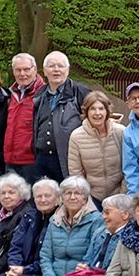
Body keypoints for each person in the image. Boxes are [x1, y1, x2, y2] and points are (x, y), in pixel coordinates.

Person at [32, 51, 90, 182]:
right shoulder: (39, 95)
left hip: (67, 157)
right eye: (52, 66)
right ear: (45, 72)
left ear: (68, 70)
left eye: (61, 66)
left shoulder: (80, 92)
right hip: (42, 158)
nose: (56, 70)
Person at [67, 91, 126, 206]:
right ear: (86, 111)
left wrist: (122, 194)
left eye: (101, 108)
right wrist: (86, 199)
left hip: (119, 195)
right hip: (92, 198)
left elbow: (129, 167)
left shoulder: (121, 132)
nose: (97, 113)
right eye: (92, 109)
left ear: (107, 111)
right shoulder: (76, 136)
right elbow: (76, 173)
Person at [4, 53, 45, 183]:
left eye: (26, 69)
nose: (22, 74)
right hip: (10, 160)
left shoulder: (44, 93)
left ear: (35, 69)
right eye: (18, 70)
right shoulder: (9, 95)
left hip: (32, 161)